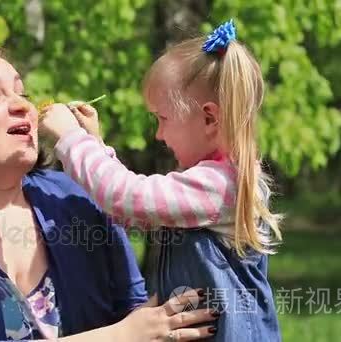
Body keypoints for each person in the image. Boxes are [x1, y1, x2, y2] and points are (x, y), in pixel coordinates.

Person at [0, 44, 219, 342]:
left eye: (23, 93)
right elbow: (134, 329)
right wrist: (123, 335)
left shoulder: (73, 198)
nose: (23, 105)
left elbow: (137, 312)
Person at [40, 19, 282, 341]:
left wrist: (71, 139)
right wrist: (95, 145)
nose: (158, 134)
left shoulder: (220, 186)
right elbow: (129, 209)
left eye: (162, 119)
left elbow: (126, 196)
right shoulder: (212, 184)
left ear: (209, 118)